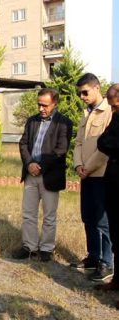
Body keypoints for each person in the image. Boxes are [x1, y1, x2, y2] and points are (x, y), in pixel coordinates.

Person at [13, 88, 73, 262]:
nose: (41, 108)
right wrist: (30, 163)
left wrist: (40, 166)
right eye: (39, 104)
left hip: (50, 175)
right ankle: (29, 247)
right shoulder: (32, 121)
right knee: (28, 213)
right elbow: (23, 143)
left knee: (49, 215)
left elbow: (61, 150)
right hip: (31, 174)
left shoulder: (64, 123)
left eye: (45, 105)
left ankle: (46, 249)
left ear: (55, 103)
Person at [70, 73, 113, 282]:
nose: (82, 96)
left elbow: (107, 148)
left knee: (102, 220)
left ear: (97, 88)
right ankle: (93, 257)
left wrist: (88, 167)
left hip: (101, 174)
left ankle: (107, 263)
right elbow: (78, 143)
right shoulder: (86, 114)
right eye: (79, 93)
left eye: (85, 92)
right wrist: (79, 165)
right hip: (85, 174)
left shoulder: (109, 112)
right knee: (87, 217)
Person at [96, 84, 119, 306]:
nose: (114, 110)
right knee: (115, 232)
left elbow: (109, 142)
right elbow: (102, 141)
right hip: (113, 180)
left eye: (116, 106)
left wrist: (112, 144)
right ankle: (117, 281)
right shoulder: (116, 117)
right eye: (112, 107)